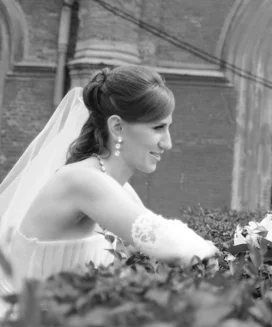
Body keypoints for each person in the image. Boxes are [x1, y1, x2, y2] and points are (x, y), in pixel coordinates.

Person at [0, 65, 219, 303]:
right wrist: (213, 251)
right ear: (117, 127)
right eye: (158, 128)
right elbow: (162, 239)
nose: (167, 143)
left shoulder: (120, 189)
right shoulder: (82, 180)